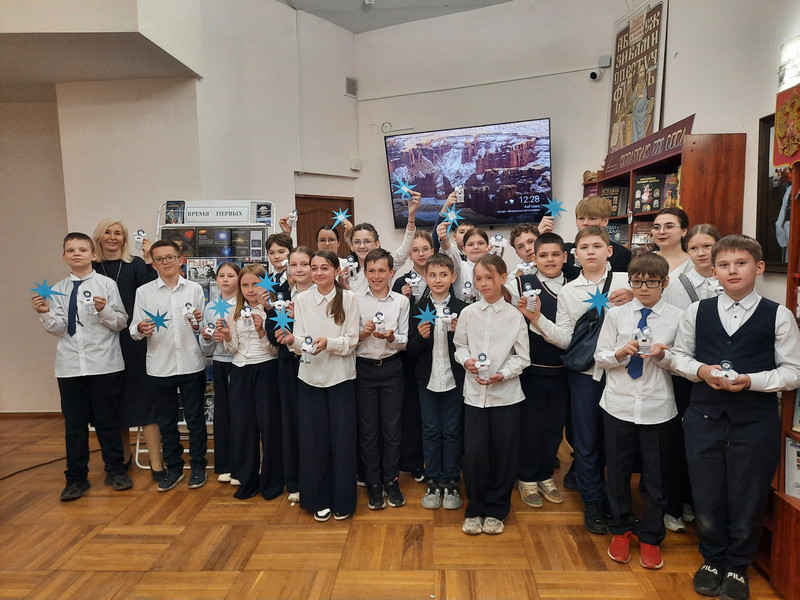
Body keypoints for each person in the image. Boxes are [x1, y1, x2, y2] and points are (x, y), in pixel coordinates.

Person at [664, 235, 800, 600]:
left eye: (741, 263)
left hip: (755, 422)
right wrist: (701, 371)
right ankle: (712, 559)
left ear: (758, 267)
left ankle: (738, 565)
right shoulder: (697, 312)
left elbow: (793, 371)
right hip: (704, 417)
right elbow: (678, 357)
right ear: (714, 271)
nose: (732, 271)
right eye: (724, 265)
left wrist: (752, 381)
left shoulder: (779, 315)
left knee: (748, 495)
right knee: (707, 492)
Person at [528, 226, 631, 535]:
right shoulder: (569, 291)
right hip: (586, 376)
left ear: (609, 251)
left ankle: (619, 502)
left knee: (618, 443)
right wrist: (537, 320)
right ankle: (593, 501)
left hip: (623, 375)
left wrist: (637, 296)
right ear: (575, 255)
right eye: (584, 247)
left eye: (597, 246)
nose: (590, 252)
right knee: (586, 441)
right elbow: (566, 338)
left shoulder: (627, 281)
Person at [594, 253, 683, 570]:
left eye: (651, 282)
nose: (643, 288)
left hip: (657, 407)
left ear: (664, 283)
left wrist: (663, 355)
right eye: (637, 282)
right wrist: (620, 353)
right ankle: (620, 529)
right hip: (618, 404)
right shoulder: (616, 315)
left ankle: (651, 536)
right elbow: (600, 357)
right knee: (617, 472)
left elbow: (684, 363)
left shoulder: (677, 317)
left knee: (656, 477)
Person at [32, 232, 132, 500]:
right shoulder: (58, 289)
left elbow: (121, 322)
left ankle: (116, 471)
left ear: (93, 255)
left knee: (107, 422)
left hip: (105, 364)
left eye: (82, 249)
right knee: (75, 426)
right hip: (70, 367)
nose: (77, 254)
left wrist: (104, 310)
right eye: (71, 250)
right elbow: (60, 329)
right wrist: (45, 313)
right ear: (64, 257)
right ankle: (76, 478)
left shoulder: (107, 285)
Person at [280, 250, 360, 522]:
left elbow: (351, 341)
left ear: (336, 270)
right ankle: (318, 499)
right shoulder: (301, 299)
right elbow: (299, 341)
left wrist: (328, 343)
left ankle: (343, 500)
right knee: (314, 442)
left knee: (342, 442)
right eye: (314, 268)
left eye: (324, 267)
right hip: (310, 378)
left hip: (341, 378)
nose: (318, 273)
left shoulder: (348, 298)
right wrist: (292, 341)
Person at [454, 254, 531, 535]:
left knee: (503, 453)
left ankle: (497, 509)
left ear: (502, 278)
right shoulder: (468, 313)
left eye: (489, 277)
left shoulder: (514, 316)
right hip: (475, 395)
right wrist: (466, 361)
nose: (483, 283)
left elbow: (522, 357)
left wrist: (503, 374)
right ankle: (475, 507)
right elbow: (460, 345)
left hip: (506, 396)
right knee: (474, 454)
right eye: (479, 278)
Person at [130, 240, 208, 492]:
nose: (165, 262)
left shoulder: (194, 289)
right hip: (159, 366)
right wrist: (140, 328)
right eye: (159, 259)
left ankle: (198, 466)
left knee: (195, 420)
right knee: (167, 421)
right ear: (153, 264)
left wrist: (198, 324)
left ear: (180, 260)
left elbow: (202, 328)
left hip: (191, 364)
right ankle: (174, 468)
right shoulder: (144, 292)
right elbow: (134, 330)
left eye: (170, 257)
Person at [660, 224, 722, 533]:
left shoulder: (729, 279)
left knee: (708, 444)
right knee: (678, 440)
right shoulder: (677, 282)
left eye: (707, 246)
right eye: (694, 248)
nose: (701, 253)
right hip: (685, 372)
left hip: (721, 374)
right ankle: (674, 503)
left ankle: (698, 502)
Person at [91, 219, 162, 479]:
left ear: (124, 238)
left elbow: (151, 292)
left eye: (118, 233)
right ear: (99, 237)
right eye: (108, 232)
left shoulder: (136, 265)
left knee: (145, 402)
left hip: (134, 342)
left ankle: (156, 462)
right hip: (102, 343)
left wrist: (149, 260)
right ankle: (122, 458)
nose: (113, 237)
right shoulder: (91, 269)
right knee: (113, 403)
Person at [513, 232, 571, 509]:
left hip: (563, 371)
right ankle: (526, 477)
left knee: (553, 429)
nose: (550, 260)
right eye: (543, 255)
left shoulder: (574, 286)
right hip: (531, 371)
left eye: (555, 254)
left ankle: (546, 475)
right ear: (534, 258)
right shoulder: (520, 284)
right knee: (530, 428)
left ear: (565, 257)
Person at [407, 253, 467, 510]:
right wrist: (421, 338)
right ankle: (433, 478)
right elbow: (410, 351)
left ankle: (451, 479)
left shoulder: (463, 309)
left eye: (443, 275)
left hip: (454, 380)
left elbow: (470, 347)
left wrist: (459, 332)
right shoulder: (418, 309)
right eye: (432, 275)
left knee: (452, 431)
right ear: (426, 278)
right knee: (431, 430)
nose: (438, 280)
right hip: (428, 381)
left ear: (453, 277)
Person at [218, 264, 283, 500]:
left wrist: (262, 331)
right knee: (243, 428)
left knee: (269, 428)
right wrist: (227, 335)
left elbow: (276, 350)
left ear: (265, 285)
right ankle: (247, 480)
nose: (250, 289)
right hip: (240, 371)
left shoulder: (272, 310)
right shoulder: (234, 311)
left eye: (255, 284)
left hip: (266, 370)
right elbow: (232, 348)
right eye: (245, 285)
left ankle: (272, 482)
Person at [355, 248, 410, 510]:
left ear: (391, 272)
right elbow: (348, 339)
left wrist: (391, 338)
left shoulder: (401, 302)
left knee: (392, 430)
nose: (376, 276)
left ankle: (391, 480)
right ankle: (374, 483)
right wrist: (362, 335)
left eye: (381, 271)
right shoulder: (354, 300)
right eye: (371, 271)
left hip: (391, 370)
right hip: (363, 371)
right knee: (368, 431)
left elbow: (405, 340)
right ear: (365, 273)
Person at [267, 246, 315, 503]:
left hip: (317, 363)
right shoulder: (280, 294)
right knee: (291, 423)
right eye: (293, 265)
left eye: (304, 264)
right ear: (287, 268)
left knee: (314, 423)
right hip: (288, 364)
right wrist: (276, 329)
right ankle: (295, 480)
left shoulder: (323, 293)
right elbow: (270, 331)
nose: (299, 269)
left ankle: (316, 477)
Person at [199, 262, 240, 485]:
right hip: (219, 362)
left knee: (240, 413)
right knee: (222, 413)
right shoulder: (210, 306)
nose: (225, 279)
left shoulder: (244, 304)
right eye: (222, 275)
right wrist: (206, 337)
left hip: (240, 363)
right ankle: (224, 464)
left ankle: (241, 463)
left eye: (230, 275)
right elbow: (206, 346)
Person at [341, 192, 420, 293]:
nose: (362, 246)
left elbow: (405, 250)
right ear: (351, 246)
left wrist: (411, 217)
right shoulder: (346, 272)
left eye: (367, 241)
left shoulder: (387, 264)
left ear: (377, 244)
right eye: (357, 242)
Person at [562, 195, 631, 280]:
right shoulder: (565, 251)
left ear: (605, 221)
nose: (585, 223)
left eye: (592, 218)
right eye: (581, 218)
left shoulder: (621, 254)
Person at [454, 228, 491, 304]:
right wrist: (444, 240)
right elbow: (449, 250)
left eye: (480, 243)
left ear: (488, 246)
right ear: (464, 249)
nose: (476, 247)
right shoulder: (459, 267)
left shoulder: (494, 268)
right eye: (471, 244)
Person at [652, 207, 691, 276]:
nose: (661, 232)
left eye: (669, 227)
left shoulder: (694, 263)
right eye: (656, 227)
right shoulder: (643, 261)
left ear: (684, 231)